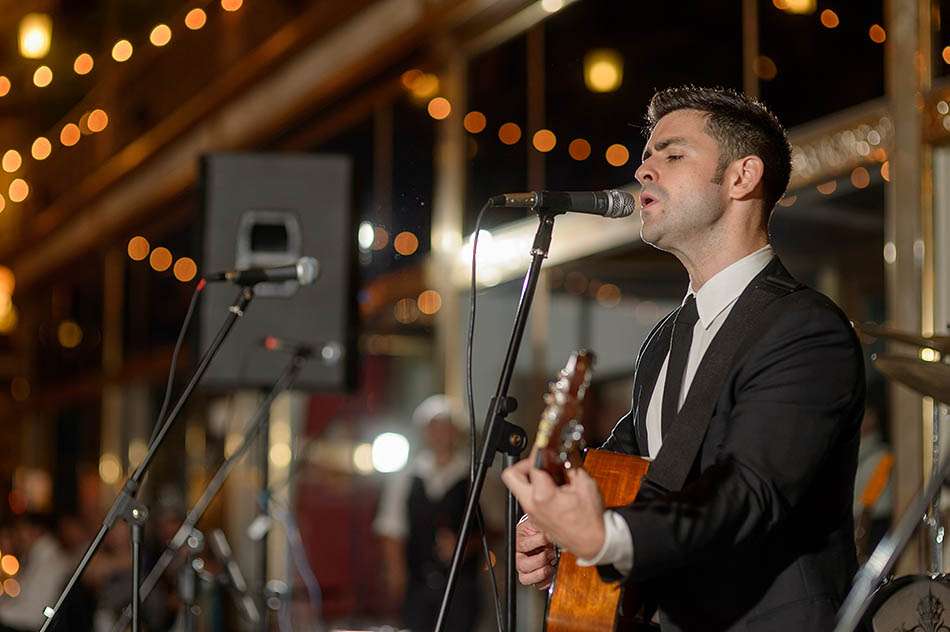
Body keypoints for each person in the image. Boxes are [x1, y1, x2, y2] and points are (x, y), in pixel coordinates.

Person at [502, 86, 865, 631]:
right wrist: (559, 531)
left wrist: (606, 537)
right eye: (645, 157)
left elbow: (748, 492)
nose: (644, 171)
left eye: (671, 155)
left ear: (742, 177)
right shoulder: (667, 339)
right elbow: (626, 472)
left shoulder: (805, 329)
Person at [373, 395, 481, 632]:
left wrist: (466, 546)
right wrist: (397, 575)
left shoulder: (475, 477)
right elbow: (392, 528)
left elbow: (495, 529)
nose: (440, 434)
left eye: (446, 427)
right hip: (418, 583)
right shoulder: (407, 477)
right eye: (434, 427)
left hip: (462, 585)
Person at [0, 512, 74, 632]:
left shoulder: (51, 564)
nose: (17, 537)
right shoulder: (34, 558)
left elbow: (36, 615)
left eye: (21, 531)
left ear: (36, 531)